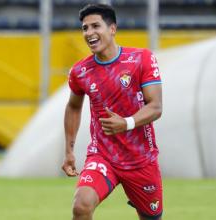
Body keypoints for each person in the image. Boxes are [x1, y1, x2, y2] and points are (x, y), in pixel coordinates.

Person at [62, 4, 163, 220]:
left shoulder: (141, 59)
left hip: (140, 160)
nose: (89, 33)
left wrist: (126, 123)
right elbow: (73, 106)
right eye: (84, 28)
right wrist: (69, 149)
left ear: (112, 29)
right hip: (103, 155)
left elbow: (155, 106)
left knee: (151, 217)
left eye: (95, 26)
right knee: (81, 205)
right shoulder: (80, 71)